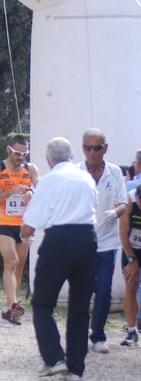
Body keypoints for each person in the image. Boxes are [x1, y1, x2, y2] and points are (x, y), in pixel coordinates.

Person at [21, 137, 97, 381]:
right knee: (80, 306)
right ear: (73, 157)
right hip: (87, 239)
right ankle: (76, 369)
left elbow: (30, 224)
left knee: (42, 302)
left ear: (48, 160)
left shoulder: (49, 180)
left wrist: (24, 235)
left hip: (59, 239)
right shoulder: (86, 177)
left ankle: (55, 358)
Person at [77, 128, 127, 353]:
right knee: (83, 289)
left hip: (106, 241)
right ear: (82, 148)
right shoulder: (76, 171)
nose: (92, 152)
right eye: (87, 147)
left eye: (96, 148)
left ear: (105, 148)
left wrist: (115, 213)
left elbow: (123, 202)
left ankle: (98, 335)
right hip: (81, 240)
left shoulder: (114, 172)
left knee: (104, 289)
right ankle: (77, 334)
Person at [0, 134, 39, 325]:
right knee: (11, 261)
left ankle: (11, 308)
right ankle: (14, 304)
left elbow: (41, 192)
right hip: (5, 223)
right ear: (8, 149)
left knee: (19, 266)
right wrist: (10, 191)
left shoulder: (31, 168)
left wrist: (31, 192)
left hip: (25, 224)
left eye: (25, 153)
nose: (21, 157)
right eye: (17, 153)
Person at [119, 184, 141, 346]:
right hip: (132, 248)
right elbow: (123, 233)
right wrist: (132, 260)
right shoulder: (129, 200)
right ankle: (131, 332)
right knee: (131, 284)